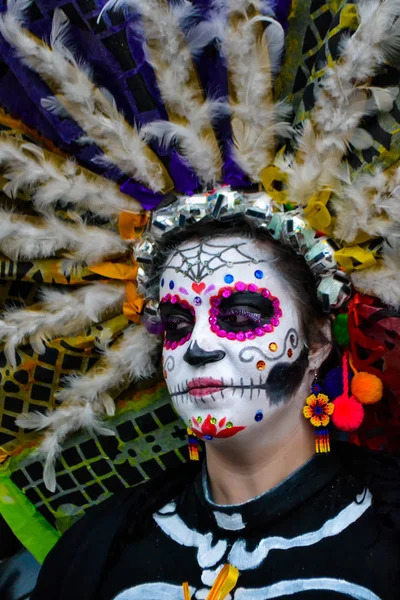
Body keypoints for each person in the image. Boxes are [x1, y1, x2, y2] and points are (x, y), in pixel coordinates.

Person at [0, 0, 399, 598]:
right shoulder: (95, 556)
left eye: (241, 315)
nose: (200, 347)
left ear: (317, 342)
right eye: (178, 322)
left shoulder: (388, 542)